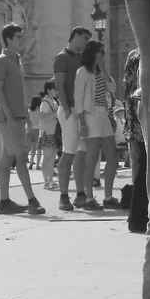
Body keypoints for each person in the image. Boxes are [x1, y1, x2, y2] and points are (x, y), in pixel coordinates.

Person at [0, 23, 45, 216]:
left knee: (7, 158)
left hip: (18, 116)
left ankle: (4, 201)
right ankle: (32, 200)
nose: (21, 40)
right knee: (21, 157)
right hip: (9, 118)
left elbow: (19, 92)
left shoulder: (17, 60)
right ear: (8, 39)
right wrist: (10, 117)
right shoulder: (2, 61)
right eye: (18, 37)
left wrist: (26, 118)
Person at [74, 39, 119, 211]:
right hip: (90, 116)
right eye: (101, 52)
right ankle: (89, 197)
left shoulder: (100, 72)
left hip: (103, 115)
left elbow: (112, 88)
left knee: (112, 156)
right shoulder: (82, 72)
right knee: (91, 158)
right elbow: (78, 99)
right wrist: (82, 123)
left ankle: (108, 196)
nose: (103, 55)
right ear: (93, 53)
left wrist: (104, 69)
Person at [54, 26, 91, 211]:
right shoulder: (62, 57)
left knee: (82, 153)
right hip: (70, 109)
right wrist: (67, 108)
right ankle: (63, 196)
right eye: (84, 38)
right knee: (68, 152)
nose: (86, 42)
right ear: (75, 36)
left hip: (81, 110)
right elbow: (59, 84)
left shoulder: (81, 58)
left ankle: (80, 193)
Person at [123, 48, 149, 233]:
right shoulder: (147, 53)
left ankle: (137, 218)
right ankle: (141, 218)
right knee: (147, 169)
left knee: (142, 169)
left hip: (136, 113)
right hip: (149, 114)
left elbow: (127, 89)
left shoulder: (134, 55)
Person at [39, 80, 59, 190]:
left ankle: (50, 180)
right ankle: (46, 182)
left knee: (51, 159)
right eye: (54, 89)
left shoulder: (53, 101)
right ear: (48, 90)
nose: (56, 91)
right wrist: (55, 114)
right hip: (47, 133)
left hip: (53, 132)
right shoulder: (45, 102)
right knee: (47, 158)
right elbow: (42, 117)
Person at [27, 96, 42, 170]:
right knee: (36, 148)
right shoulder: (39, 111)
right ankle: (35, 163)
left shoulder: (29, 110)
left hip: (29, 130)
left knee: (30, 148)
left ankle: (29, 162)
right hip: (37, 130)